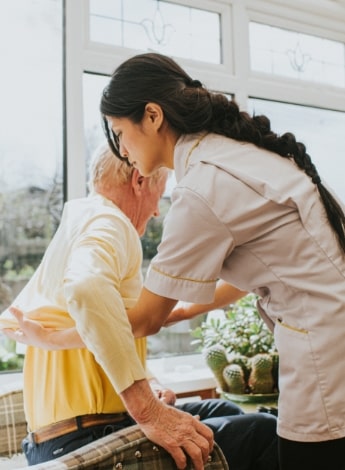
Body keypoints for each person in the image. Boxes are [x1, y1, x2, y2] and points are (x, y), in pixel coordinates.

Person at [95, 52, 345, 470]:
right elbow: (262, 273)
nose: (122, 149)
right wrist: (179, 312)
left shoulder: (202, 188)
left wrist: (64, 326)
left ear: (153, 116)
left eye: (121, 132)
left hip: (326, 349)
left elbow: (144, 319)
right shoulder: (231, 155)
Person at [1, 146, 279, 469]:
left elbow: (138, 319)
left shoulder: (81, 222)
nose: (158, 212)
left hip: (59, 439)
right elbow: (86, 288)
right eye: (160, 194)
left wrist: (148, 380)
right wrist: (147, 408)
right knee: (265, 431)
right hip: (86, 439)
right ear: (139, 181)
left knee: (227, 413)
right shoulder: (110, 222)